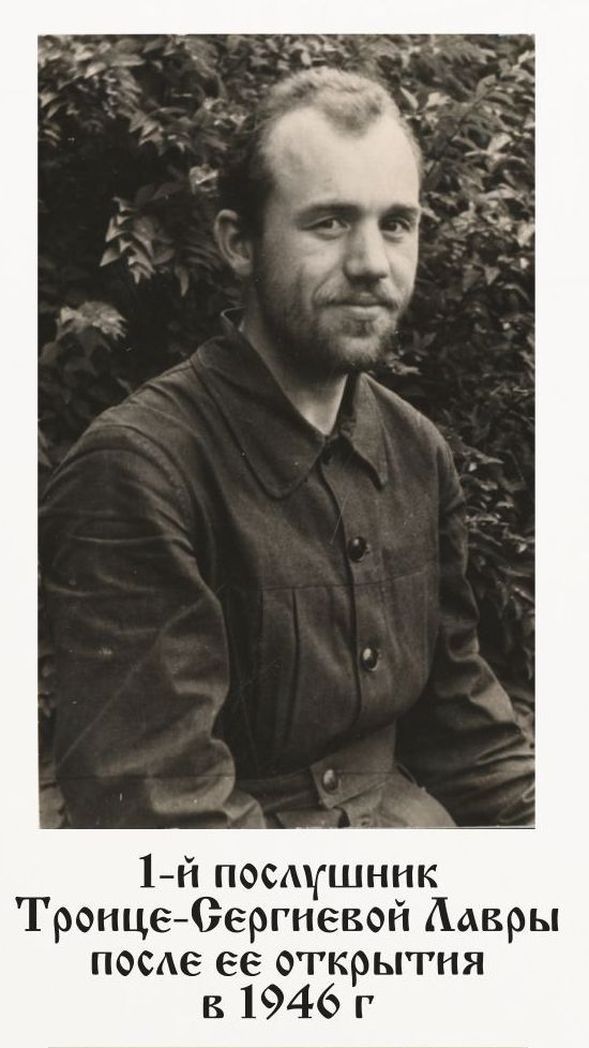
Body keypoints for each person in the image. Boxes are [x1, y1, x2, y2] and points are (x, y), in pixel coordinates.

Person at [40, 68, 534, 829]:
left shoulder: (416, 450)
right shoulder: (139, 472)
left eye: (396, 224)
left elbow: (465, 734)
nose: (372, 263)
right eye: (330, 223)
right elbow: (162, 814)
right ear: (239, 243)